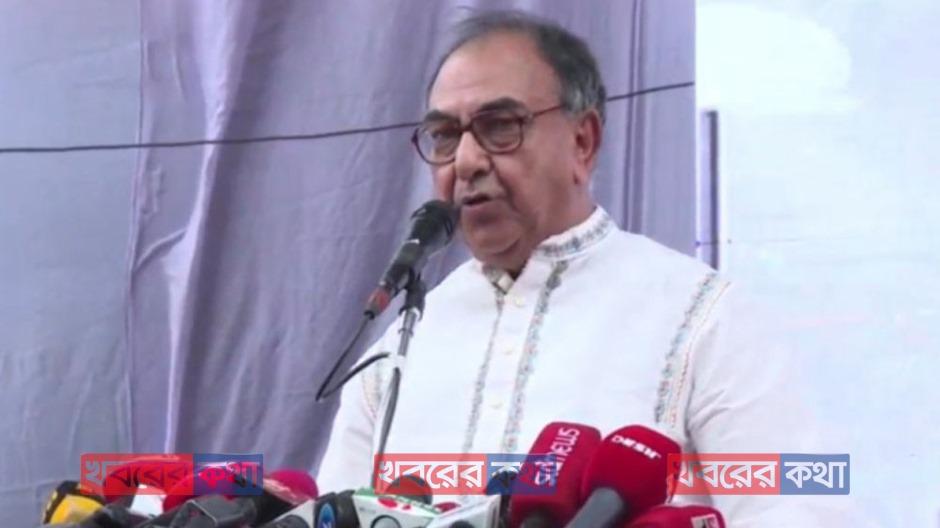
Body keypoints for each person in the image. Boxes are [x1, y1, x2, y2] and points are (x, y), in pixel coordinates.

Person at [317, 10, 851, 525]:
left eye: (499, 126)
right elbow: (330, 512)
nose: (467, 161)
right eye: (445, 135)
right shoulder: (402, 347)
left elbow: (801, 510)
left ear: (583, 141)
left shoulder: (705, 318)